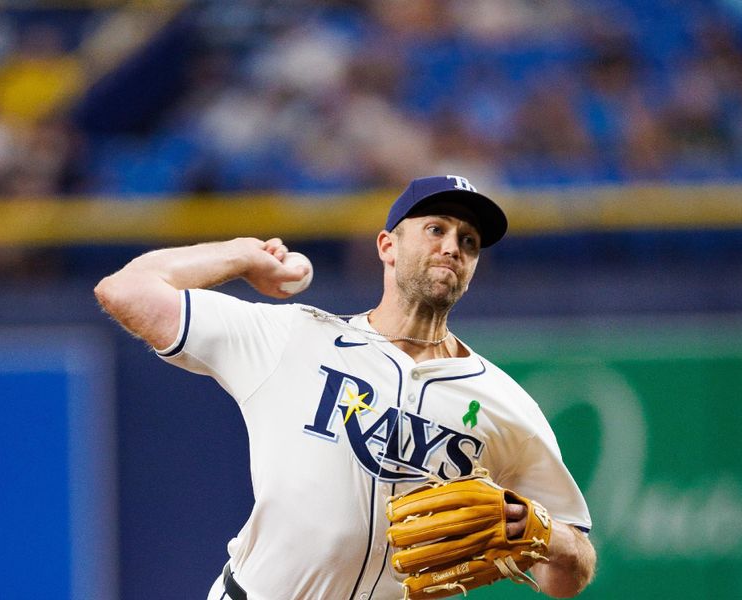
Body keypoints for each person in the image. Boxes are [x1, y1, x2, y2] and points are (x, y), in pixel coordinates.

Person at [95, 175, 596, 599]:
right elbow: (125, 291)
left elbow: (567, 575)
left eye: (468, 241)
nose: (452, 247)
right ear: (388, 247)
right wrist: (243, 255)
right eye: (436, 229)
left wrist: (544, 534)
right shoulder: (294, 337)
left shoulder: (506, 405)